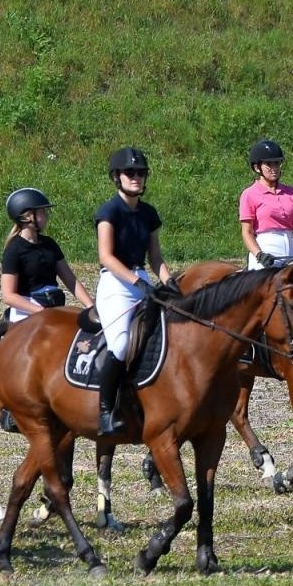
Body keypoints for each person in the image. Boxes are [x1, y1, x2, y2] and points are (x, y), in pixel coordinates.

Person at [94, 147, 175, 435]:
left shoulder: (149, 213)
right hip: (116, 284)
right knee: (121, 344)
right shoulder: (108, 211)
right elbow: (106, 256)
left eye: (141, 173)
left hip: (142, 279)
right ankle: (105, 410)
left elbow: (155, 257)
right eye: (130, 173)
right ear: (116, 177)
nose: (136, 177)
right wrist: (136, 281)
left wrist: (168, 281)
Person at [1, 188, 93, 322]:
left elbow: (70, 280)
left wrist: (90, 305)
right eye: (42, 212)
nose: (46, 215)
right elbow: (8, 296)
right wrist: (42, 312)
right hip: (27, 312)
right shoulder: (13, 250)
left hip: (55, 306)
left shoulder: (49, 244)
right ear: (27, 216)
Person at [240, 138, 293, 269]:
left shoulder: (292, 192)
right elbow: (247, 232)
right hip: (266, 246)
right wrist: (259, 254)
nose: (274, 168)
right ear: (257, 167)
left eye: (277, 164)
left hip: (292, 246)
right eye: (269, 164)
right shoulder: (249, 194)